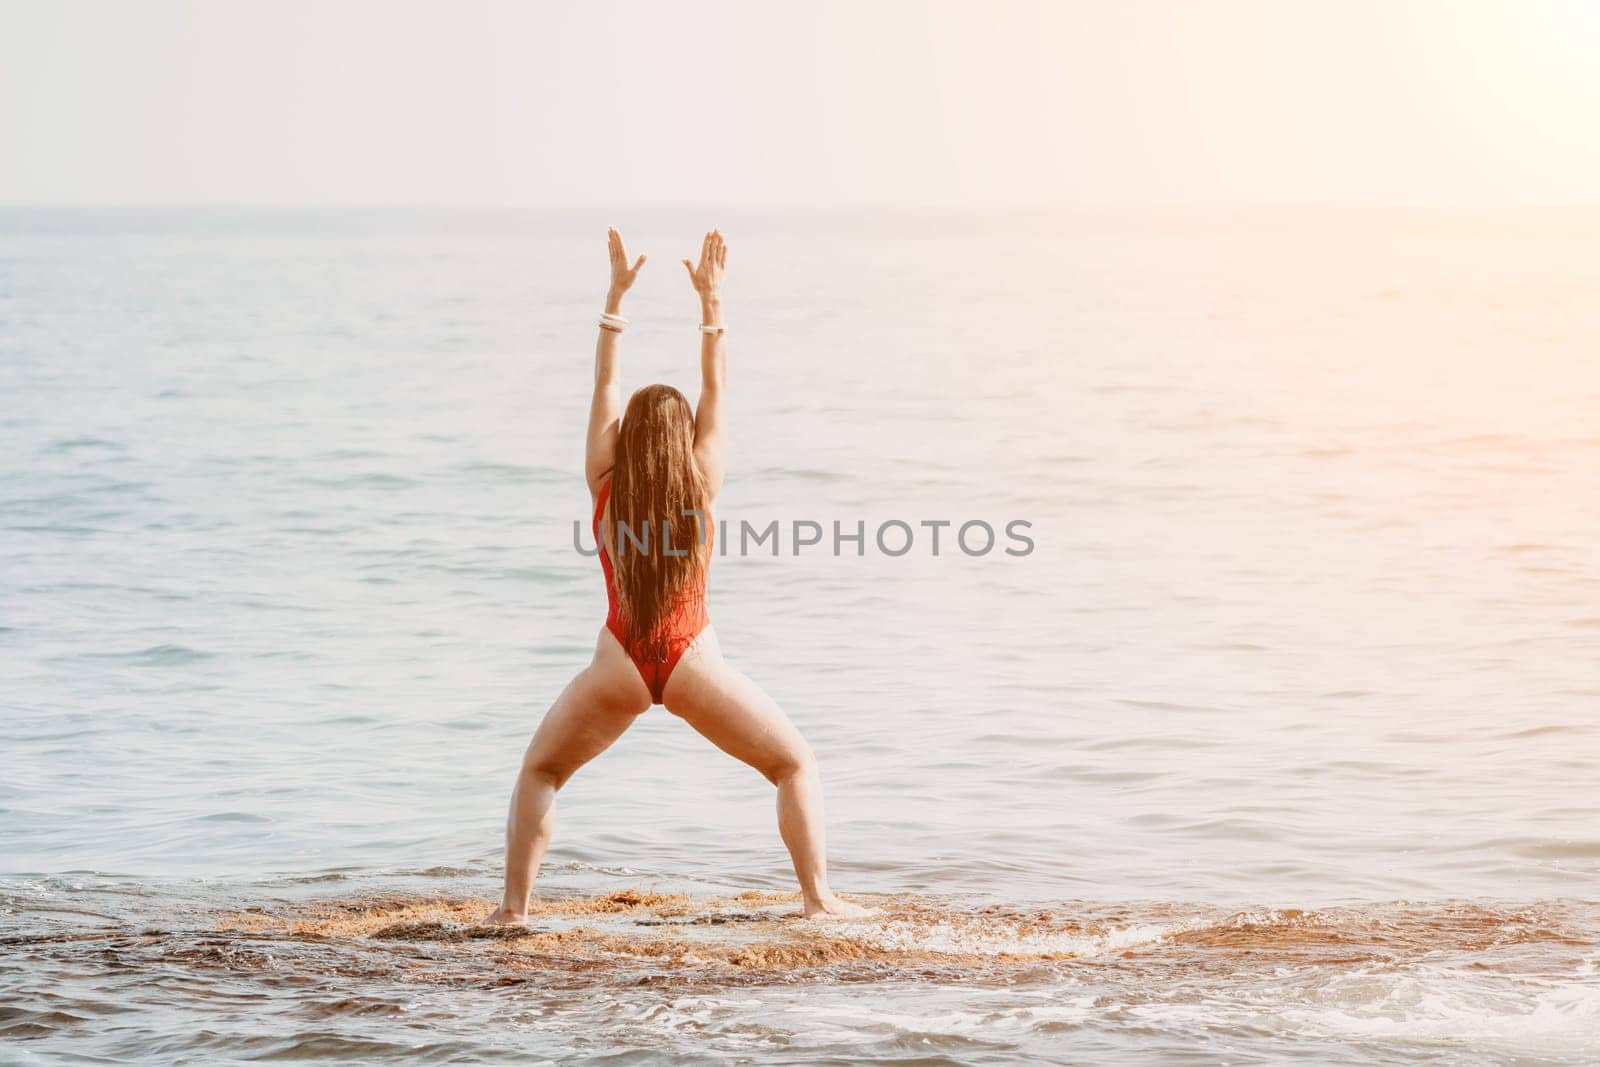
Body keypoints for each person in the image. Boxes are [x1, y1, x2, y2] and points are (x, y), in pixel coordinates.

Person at [485, 228, 867, 923]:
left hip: (618, 663)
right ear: (684, 437)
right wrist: (712, 304)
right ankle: (818, 899)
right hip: (694, 659)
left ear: (627, 437)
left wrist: (615, 299)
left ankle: (513, 912)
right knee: (793, 764)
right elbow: (717, 386)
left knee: (540, 771)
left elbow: (604, 383)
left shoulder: (604, 479)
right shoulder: (704, 480)